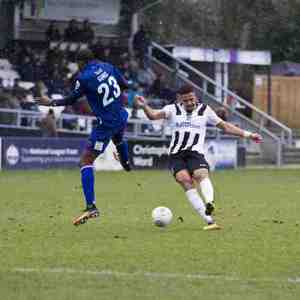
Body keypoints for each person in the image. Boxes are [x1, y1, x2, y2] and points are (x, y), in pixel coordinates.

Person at [135, 84, 262, 231]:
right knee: (186, 181)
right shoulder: (172, 109)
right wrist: (144, 106)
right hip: (176, 155)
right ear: (180, 99)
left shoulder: (205, 110)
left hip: (195, 153)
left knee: (201, 174)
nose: (189, 103)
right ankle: (209, 221)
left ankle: (209, 202)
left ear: (195, 96)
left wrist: (249, 135)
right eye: (185, 100)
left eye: (191, 99)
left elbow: (225, 126)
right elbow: (153, 115)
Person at [37, 49, 131, 226]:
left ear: (80, 62)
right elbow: (125, 85)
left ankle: (91, 207)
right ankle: (126, 163)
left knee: (85, 161)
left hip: (107, 123)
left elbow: (71, 99)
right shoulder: (108, 66)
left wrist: (51, 102)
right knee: (118, 139)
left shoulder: (84, 78)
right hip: (121, 114)